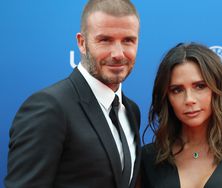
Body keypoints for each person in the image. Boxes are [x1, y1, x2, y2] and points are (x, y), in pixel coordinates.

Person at [5, 0, 141, 187]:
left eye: (128, 40)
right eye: (105, 40)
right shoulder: (49, 108)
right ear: (82, 43)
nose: (118, 53)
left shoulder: (131, 111)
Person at [141, 43, 222, 188]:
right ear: (167, 98)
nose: (189, 99)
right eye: (177, 90)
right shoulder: (147, 159)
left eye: (200, 86)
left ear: (217, 90)